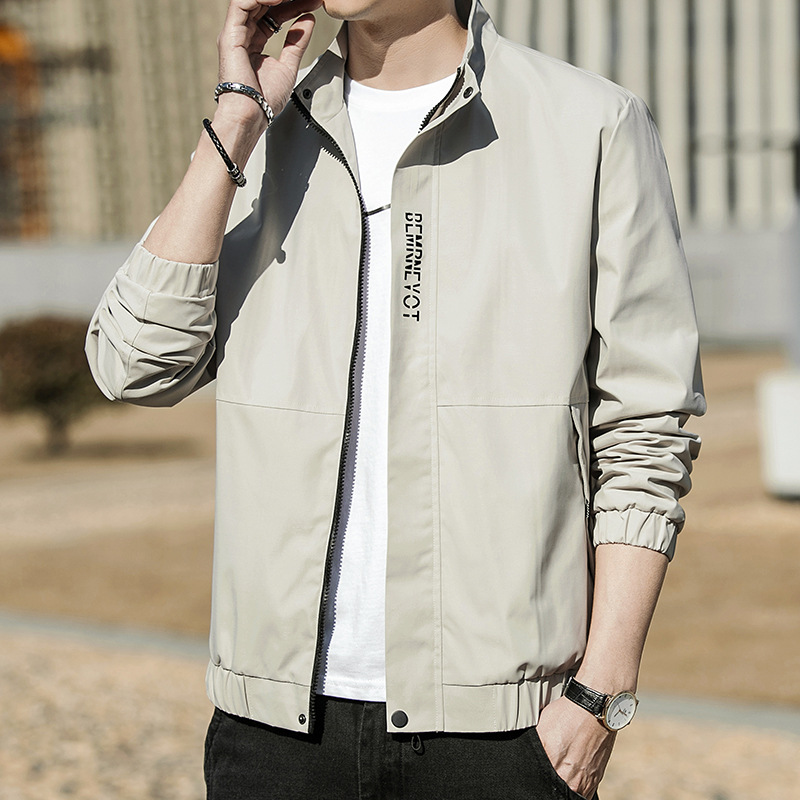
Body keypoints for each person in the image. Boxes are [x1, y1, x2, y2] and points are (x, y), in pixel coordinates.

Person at [86, 1, 706, 797]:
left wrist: (600, 695)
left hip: (502, 733)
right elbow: (134, 363)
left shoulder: (590, 125)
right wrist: (236, 121)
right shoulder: (268, 132)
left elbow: (646, 430)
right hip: (274, 733)